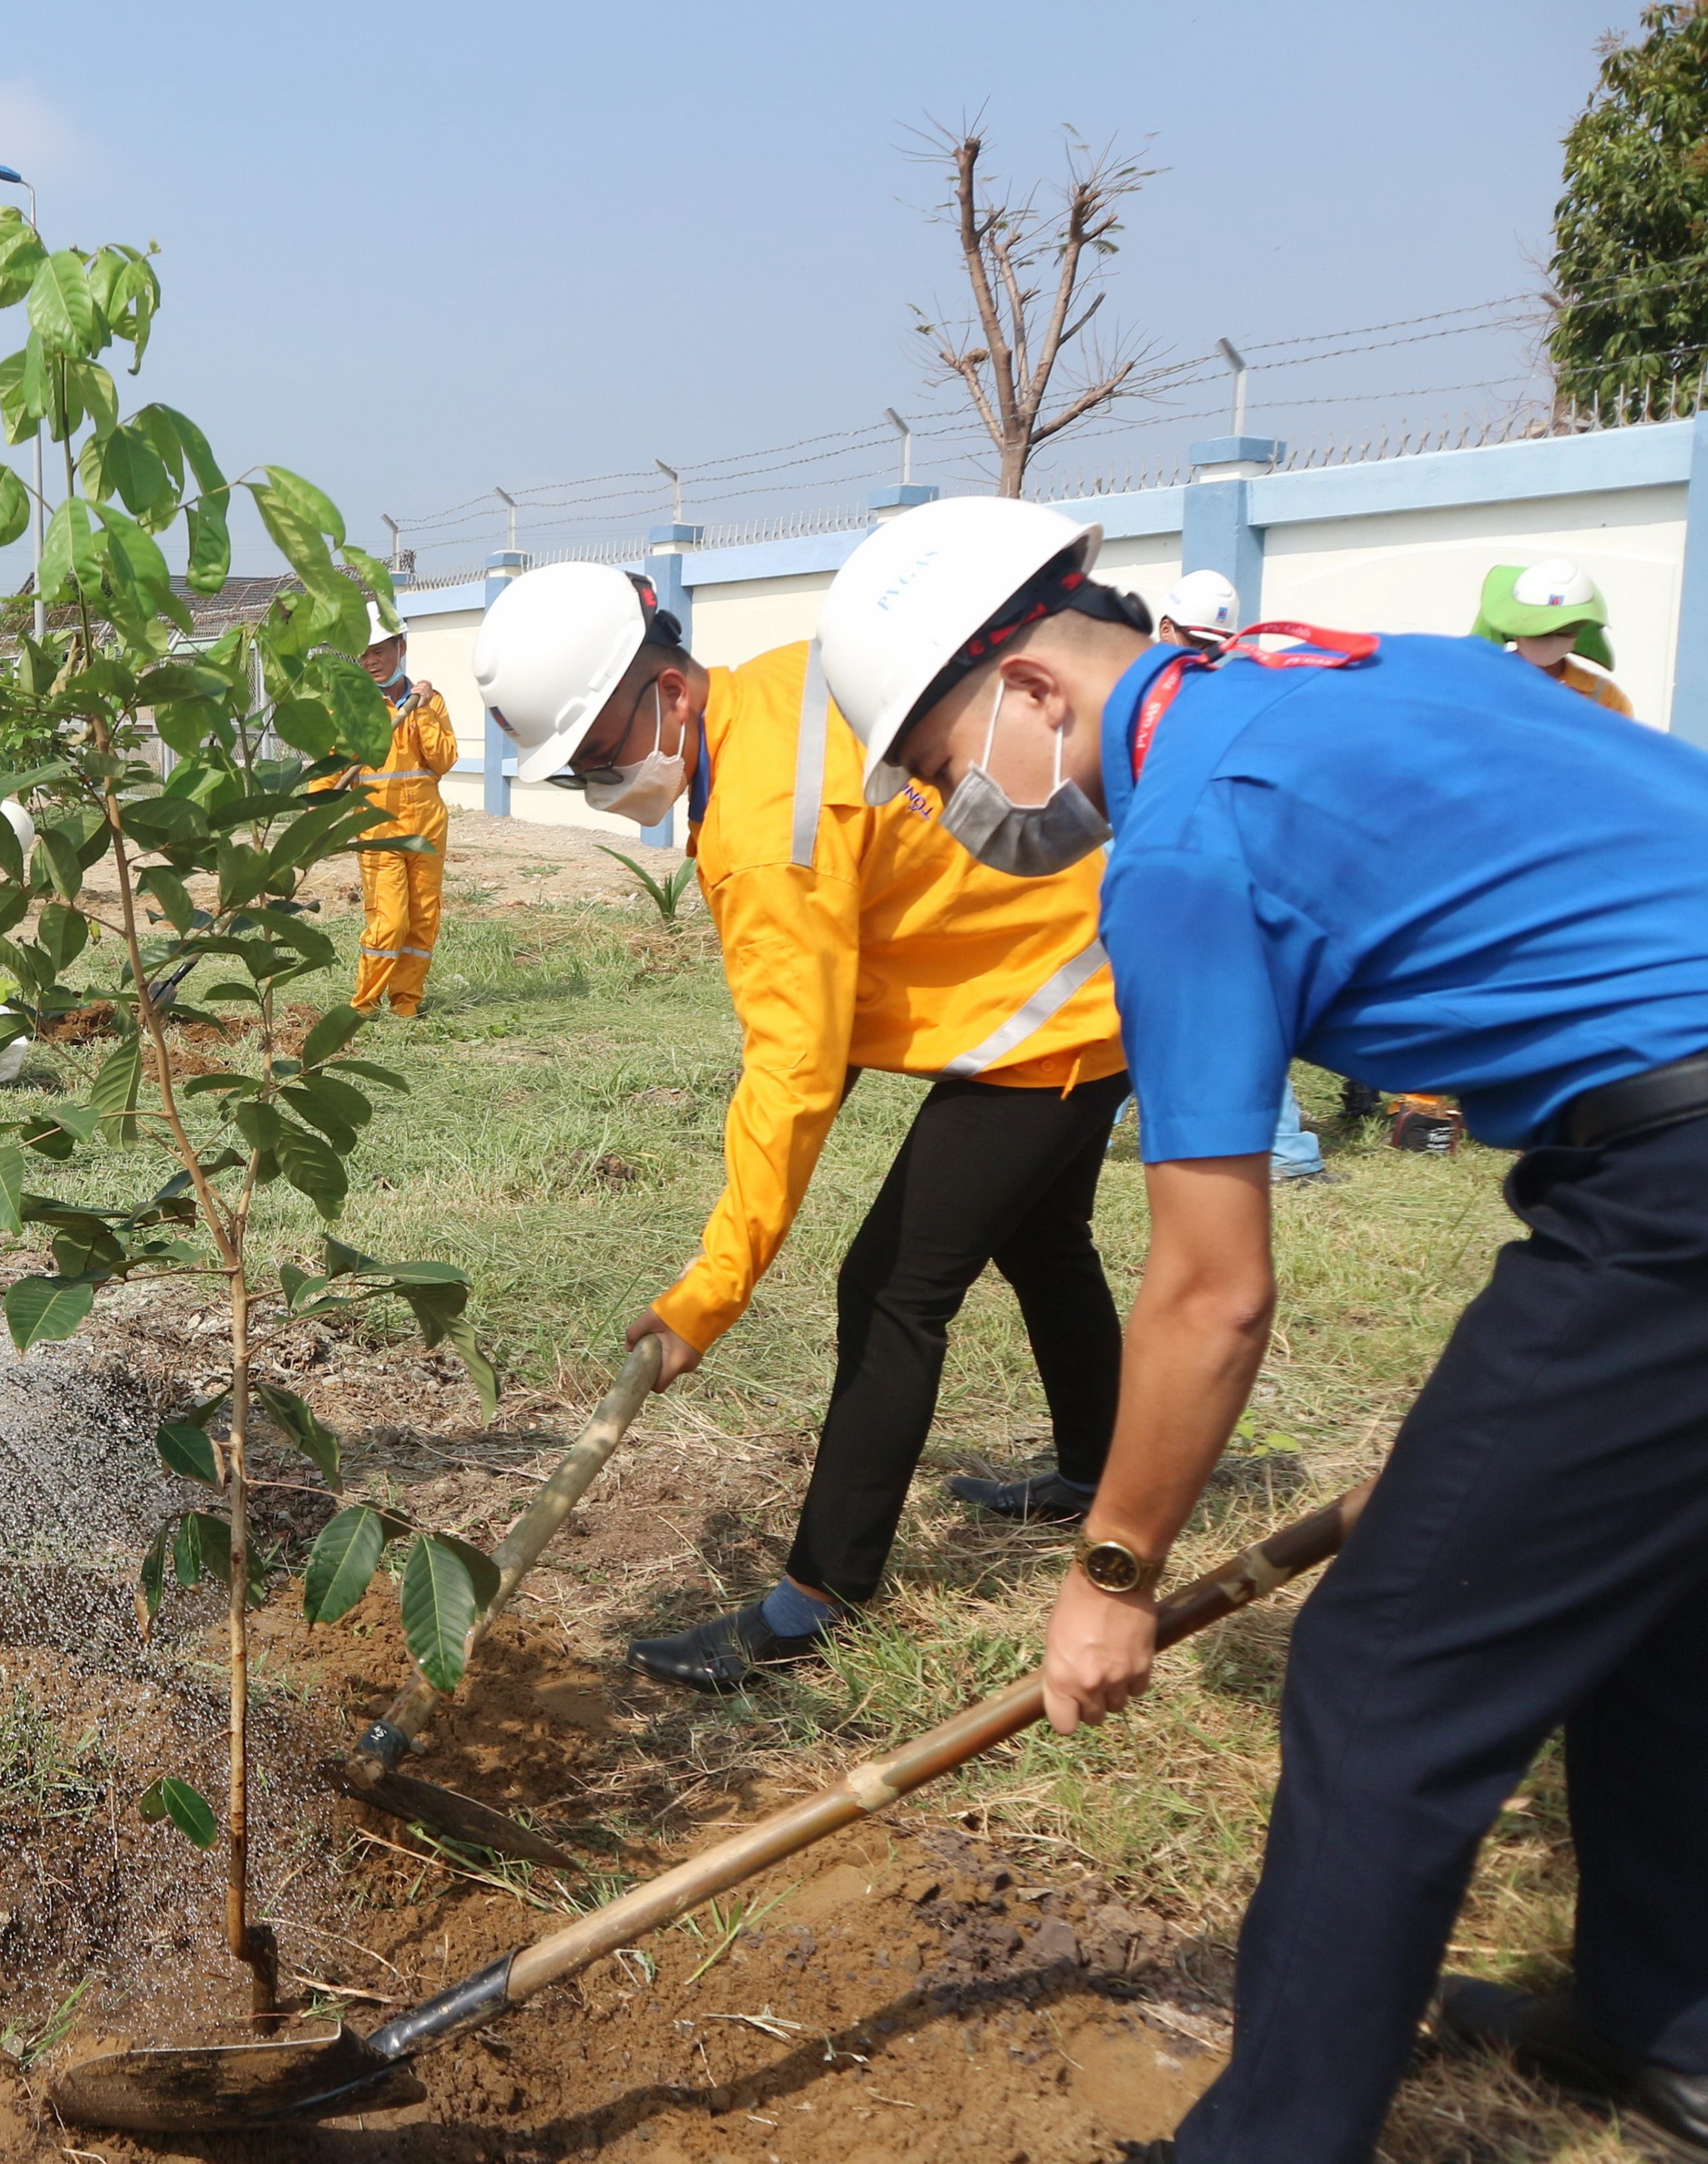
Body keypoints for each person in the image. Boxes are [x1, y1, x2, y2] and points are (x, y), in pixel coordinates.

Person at [817, 493, 1708, 2161]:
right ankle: (1674, 2020)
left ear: (1028, 686)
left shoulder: (1182, 843)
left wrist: (1115, 1573)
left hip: (1684, 1179)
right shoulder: (1327, 662)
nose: (953, 815)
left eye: (939, 768)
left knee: (1382, 1677)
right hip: (1657, 1153)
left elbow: (1212, 1291)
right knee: (1657, 1594)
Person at [473, 562, 1131, 1693]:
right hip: (1093, 948)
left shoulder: (765, 821)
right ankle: (1098, 1467)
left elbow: (793, 1068)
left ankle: (817, 1599)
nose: (598, 784)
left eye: (597, 755)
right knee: (1040, 1235)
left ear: (672, 692)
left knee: (889, 1288)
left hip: (1060, 994)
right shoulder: (775, 690)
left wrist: (710, 1291)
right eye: (576, 772)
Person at [1159, 574, 1326, 1185]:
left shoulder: (1225, 690)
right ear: (1166, 628)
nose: (1208, 653)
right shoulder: (1155, 694)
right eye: (1198, 640)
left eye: (1215, 642)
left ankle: (1287, 1152)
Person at [341, 605, 457, 1015]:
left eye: (379, 650)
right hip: (378, 829)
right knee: (389, 922)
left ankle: (406, 1004)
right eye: (363, 653)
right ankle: (364, 1006)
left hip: (427, 828)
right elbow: (332, 764)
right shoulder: (353, 706)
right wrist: (314, 812)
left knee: (422, 919)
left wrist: (421, 710)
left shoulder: (430, 702)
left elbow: (442, 760)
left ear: (400, 647)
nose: (370, 660)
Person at [1473, 558, 1638, 720]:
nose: (1551, 639)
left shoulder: (1605, 696)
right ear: (1514, 628)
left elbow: (1625, 746)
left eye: (1564, 630)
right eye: (1539, 630)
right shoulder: (1480, 682)